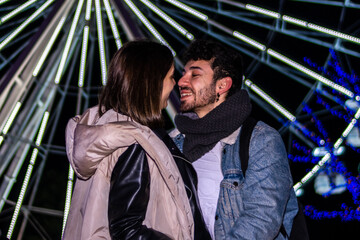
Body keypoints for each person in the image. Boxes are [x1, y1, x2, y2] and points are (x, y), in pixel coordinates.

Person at [63, 40, 211, 240]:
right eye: (170, 77)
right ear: (151, 84)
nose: (175, 83)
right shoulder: (136, 143)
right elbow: (127, 229)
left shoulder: (106, 133)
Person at [170, 39, 299, 239]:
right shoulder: (173, 142)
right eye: (184, 73)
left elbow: (262, 218)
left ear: (223, 85)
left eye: (194, 74)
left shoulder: (260, 141)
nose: (181, 81)